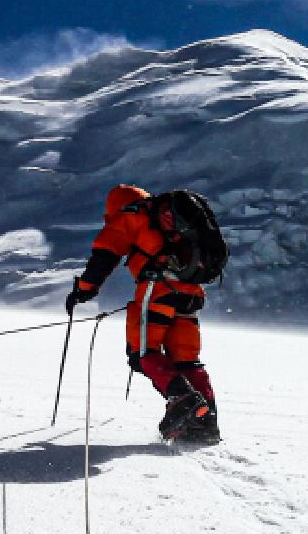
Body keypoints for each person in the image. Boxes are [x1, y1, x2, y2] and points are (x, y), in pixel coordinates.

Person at [64, 185, 222, 444]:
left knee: (144, 353)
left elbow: (105, 255)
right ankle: (206, 423)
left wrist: (84, 289)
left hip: (159, 289)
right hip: (191, 294)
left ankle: (184, 400)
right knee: (187, 361)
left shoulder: (131, 215)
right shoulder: (168, 222)